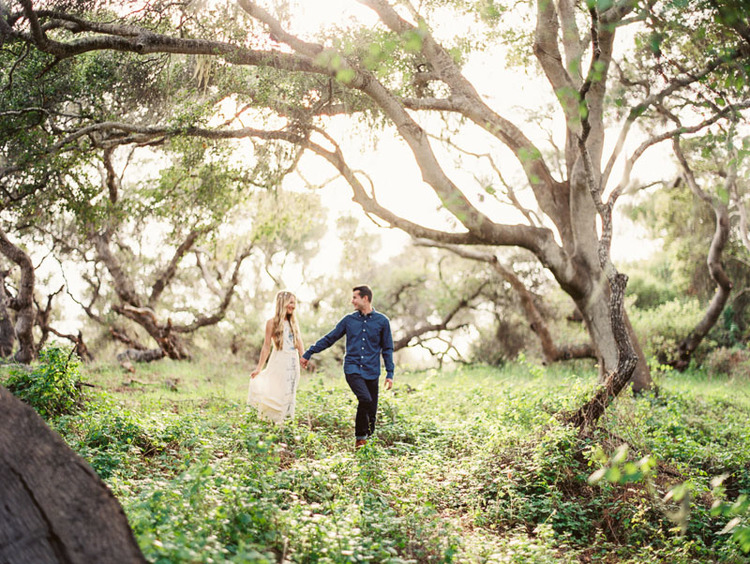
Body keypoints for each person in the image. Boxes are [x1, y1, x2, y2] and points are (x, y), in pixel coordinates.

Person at [301, 285, 394, 449]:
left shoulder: (382, 321)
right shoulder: (349, 320)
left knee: (372, 410)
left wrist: (390, 372)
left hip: (372, 370)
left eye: (354, 298)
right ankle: (360, 439)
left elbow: (387, 348)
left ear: (365, 298)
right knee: (365, 399)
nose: (352, 301)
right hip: (352, 368)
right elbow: (330, 338)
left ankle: (369, 445)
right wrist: (309, 352)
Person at [247, 291, 305, 424]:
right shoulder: (271, 322)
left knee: (290, 392)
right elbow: (266, 346)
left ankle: (287, 422)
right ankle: (274, 422)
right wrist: (259, 368)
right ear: (282, 303)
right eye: (291, 302)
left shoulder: (293, 323)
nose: (293, 306)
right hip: (279, 360)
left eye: (294, 303)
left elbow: (299, 342)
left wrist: (304, 357)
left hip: (292, 361)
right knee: (277, 391)